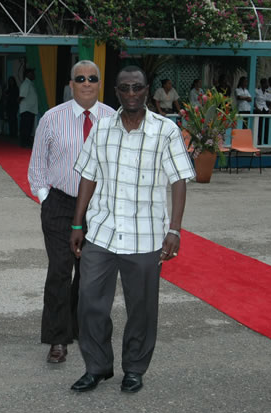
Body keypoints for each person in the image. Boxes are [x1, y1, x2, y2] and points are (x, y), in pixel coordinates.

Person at [69, 65, 195, 394]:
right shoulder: (102, 129)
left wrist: (175, 230)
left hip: (146, 236)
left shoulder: (165, 130)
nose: (131, 94)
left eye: (137, 88)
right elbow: (88, 176)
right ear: (117, 92)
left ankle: (135, 369)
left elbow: (178, 181)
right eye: (124, 88)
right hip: (102, 232)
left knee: (141, 309)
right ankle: (97, 367)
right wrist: (78, 222)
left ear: (146, 89)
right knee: (90, 303)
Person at [28, 60, 115, 364]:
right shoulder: (52, 118)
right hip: (61, 205)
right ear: (71, 83)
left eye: (92, 78)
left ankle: (81, 328)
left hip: (98, 207)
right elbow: (37, 166)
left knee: (91, 274)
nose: (87, 83)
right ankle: (57, 338)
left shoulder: (112, 118)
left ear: (99, 83)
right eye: (80, 78)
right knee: (60, 271)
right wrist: (46, 199)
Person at [19, 68, 38, 148]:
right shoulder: (26, 84)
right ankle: (24, 143)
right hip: (27, 109)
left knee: (28, 127)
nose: (34, 75)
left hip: (30, 109)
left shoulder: (30, 83)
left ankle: (26, 142)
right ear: (28, 74)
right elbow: (21, 96)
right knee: (26, 127)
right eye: (32, 73)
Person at [255, 78, 271, 145]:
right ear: (263, 84)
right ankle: (259, 140)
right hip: (259, 109)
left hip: (265, 109)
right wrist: (256, 108)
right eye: (266, 83)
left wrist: (269, 109)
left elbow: (268, 102)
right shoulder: (257, 91)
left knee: (266, 125)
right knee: (260, 125)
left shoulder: (267, 92)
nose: (267, 84)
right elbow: (254, 100)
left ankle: (265, 140)